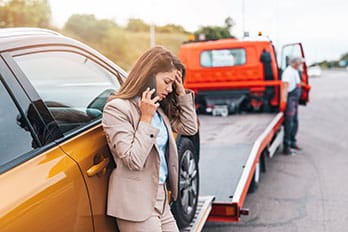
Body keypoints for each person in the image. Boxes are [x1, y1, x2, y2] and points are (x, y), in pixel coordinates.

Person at [102, 45, 198, 231]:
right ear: (149, 75)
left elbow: (189, 127)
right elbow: (133, 159)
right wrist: (145, 119)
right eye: (167, 81)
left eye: (173, 83)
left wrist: (181, 92)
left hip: (161, 197)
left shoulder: (158, 108)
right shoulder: (118, 108)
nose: (169, 89)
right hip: (136, 203)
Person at [282, 56, 304, 155]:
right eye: (300, 63)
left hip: (294, 100)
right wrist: (284, 102)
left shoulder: (295, 71)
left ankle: (292, 142)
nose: (301, 65)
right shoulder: (288, 72)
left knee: (294, 122)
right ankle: (287, 146)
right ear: (295, 63)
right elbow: (285, 87)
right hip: (290, 100)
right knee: (289, 123)